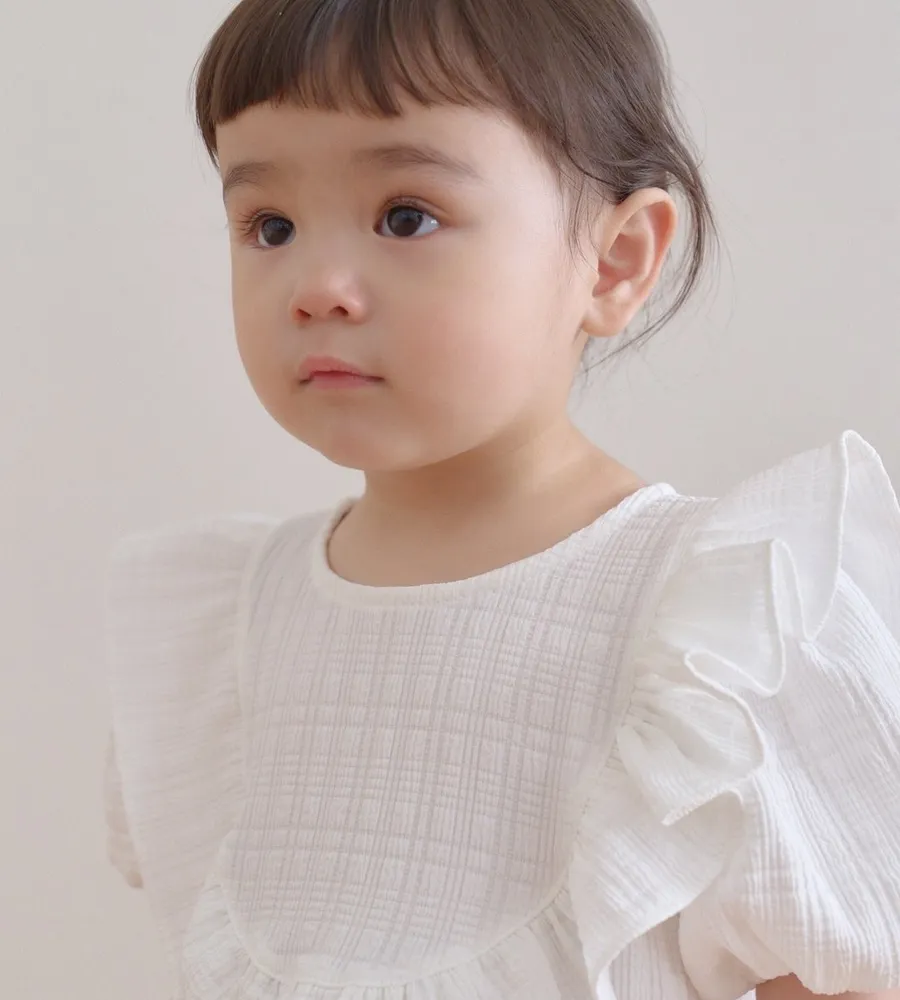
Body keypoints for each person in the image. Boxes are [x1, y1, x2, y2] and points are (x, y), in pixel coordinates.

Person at [101, 0, 900, 998]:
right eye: (271, 226)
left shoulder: (727, 633)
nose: (317, 285)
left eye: (406, 216)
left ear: (615, 261)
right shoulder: (228, 628)